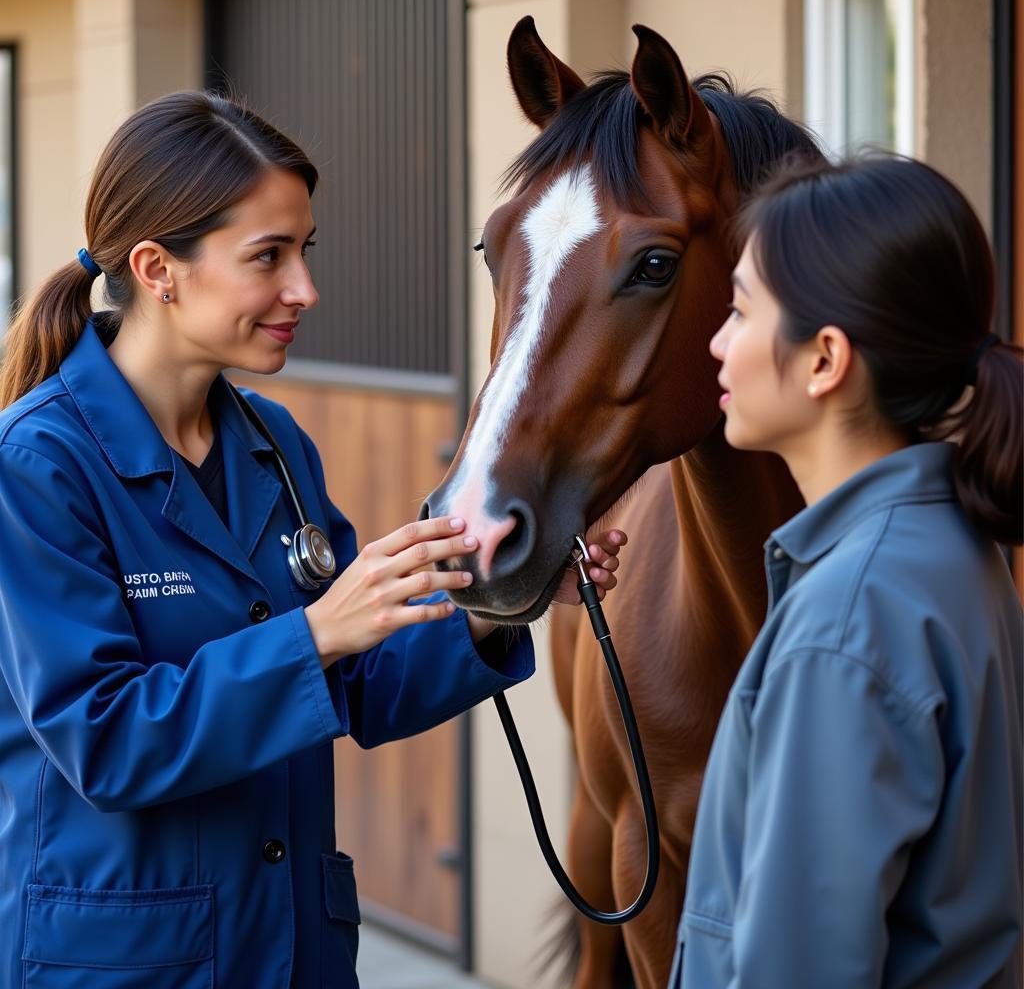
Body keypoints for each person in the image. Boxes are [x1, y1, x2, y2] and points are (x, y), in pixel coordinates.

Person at [0, 91, 625, 989]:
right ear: (157, 268)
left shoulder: (273, 445)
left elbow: (357, 687)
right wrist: (318, 630)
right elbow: (105, 740)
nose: (305, 290)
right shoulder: (38, 467)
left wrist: (495, 606)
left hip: (294, 952)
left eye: (305, 251)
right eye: (269, 257)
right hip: (128, 964)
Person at [671, 155, 1022, 987]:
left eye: (739, 309)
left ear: (825, 359)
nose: (717, 343)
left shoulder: (848, 614)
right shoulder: (954, 554)